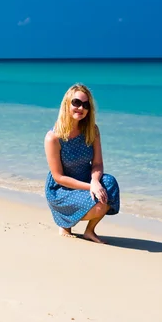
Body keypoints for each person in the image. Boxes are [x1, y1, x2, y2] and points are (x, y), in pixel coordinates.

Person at [44, 83, 120, 243]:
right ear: (67, 104)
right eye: (76, 102)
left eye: (85, 105)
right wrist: (91, 187)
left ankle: (90, 231)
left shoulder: (92, 130)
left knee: (110, 185)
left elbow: (98, 163)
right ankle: (65, 223)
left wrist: (95, 181)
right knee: (98, 204)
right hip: (62, 188)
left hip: (87, 178)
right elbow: (58, 177)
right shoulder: (53, 138)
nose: (81, 108)